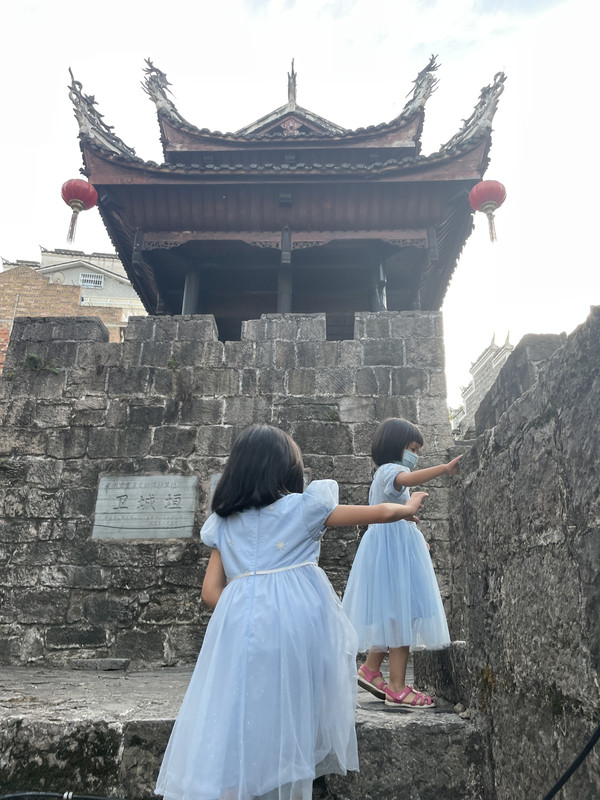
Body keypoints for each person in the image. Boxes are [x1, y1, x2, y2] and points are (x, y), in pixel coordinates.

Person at [155, 424, 427, 800]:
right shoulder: (304, 508)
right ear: (286, 470)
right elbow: (377, 511)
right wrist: (406, 508)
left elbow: (210, 592)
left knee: (240, 708)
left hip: (241, 632)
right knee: (293, 708)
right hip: (298, 633)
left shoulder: (224, 522)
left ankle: (239, 783)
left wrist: (249, 607)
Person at [342, 417, 461, 711]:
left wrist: (413, 534)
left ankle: (371, 669)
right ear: (397, 446)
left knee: (393, 612)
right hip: (392, 550)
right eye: (412, 449)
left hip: (391, 546)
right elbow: (406, 481)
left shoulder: (382, 475)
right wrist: (444, 469)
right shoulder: (391, 471)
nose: (415, 456)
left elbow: (397, 513)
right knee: (401, 614)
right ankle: (397, 687)